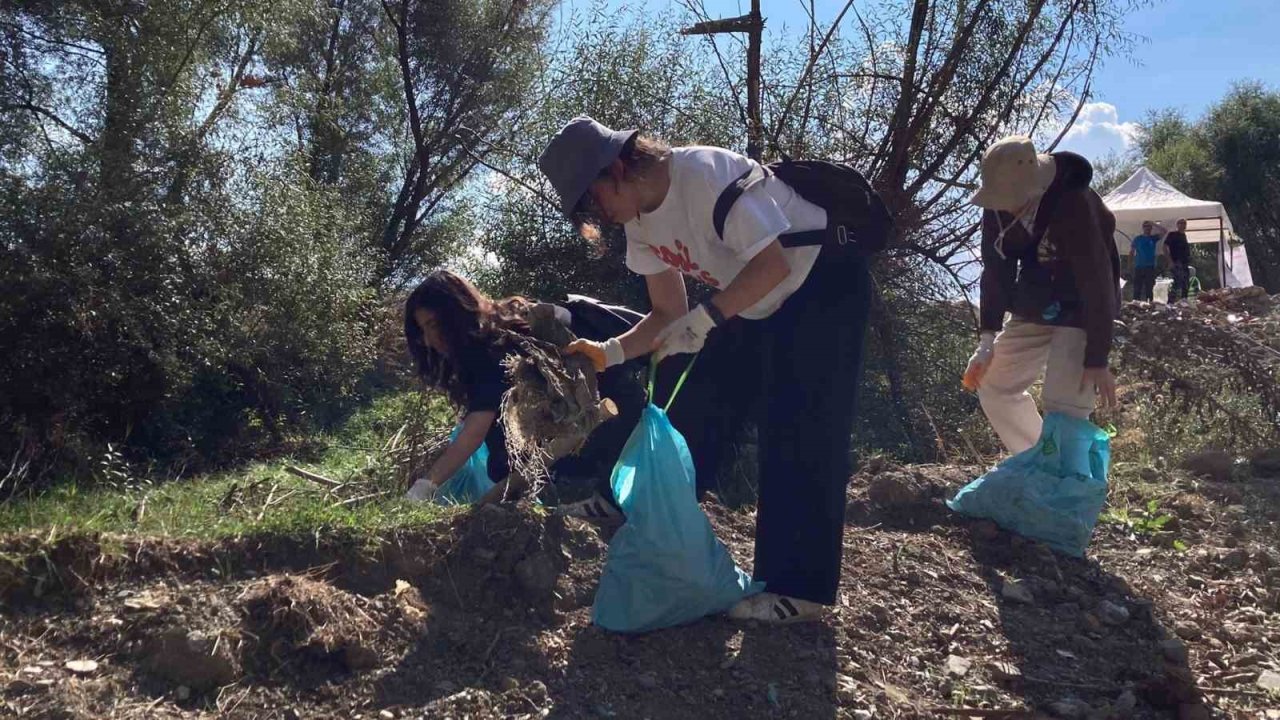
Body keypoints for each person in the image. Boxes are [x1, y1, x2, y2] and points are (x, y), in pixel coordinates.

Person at [537, 116, 873, 624]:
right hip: (753, 299)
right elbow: (667, 314)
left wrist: (709, 317)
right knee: (697, 395)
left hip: (823, 284)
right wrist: (608, 351)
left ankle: (799, 589)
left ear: (620, 167)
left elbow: (774, 266)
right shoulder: (639, 225)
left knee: (800, 425)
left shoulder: (706, 176)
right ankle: (628, 500)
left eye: (593, 199)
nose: (596, 215)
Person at [402, 269, 644, 519]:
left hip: (595, 430)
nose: (428, 340)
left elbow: (474, 431)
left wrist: (425, 486)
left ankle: (585, 495)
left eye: (432, 325)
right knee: (499, 459)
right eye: (422, 331)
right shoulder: (497, 328)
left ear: (454, 314)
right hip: (587, 427)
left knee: (502, 461)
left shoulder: (495, 347)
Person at [963, 136, 1120, 455]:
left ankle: (1073, 487)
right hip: (1035, 300)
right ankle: (1038, 461)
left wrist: (1097, 356)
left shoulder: (1074, 202)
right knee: (994, 384)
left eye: (1011, 199)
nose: (1005, 206)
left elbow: (1097, 279)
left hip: (1081, 306)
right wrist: (986, 341)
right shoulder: (998, 205)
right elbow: (996, 269)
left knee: (1065, 401)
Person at [1129, 220, 1165, 302]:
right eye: (1145, 226)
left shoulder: (1153, 238)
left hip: (1150, 267)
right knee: (1137, 288)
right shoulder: (1138, 239)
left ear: (1151, 228)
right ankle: (1136, 304)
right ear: (1143, 228)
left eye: (1149, 226)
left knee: (1149, 288)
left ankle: (1149, 304)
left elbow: (1164, 231)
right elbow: (1131, 251)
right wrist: (1130, 264)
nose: (1147, 228)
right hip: (1139, 266)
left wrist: (1153, 223)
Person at [1164, 218, 1192, 302]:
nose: (1182, 226)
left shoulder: (1184, 236)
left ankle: (1184, 301)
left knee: (1185, 283)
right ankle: (1171, 302)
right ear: (1177, 225)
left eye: (1184, 224)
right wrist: (1170, 261)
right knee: (1176, 282)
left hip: (1184, 263)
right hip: (1176, 262)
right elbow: (1164, 247)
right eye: (1180, 224)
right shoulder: (1173, 235)